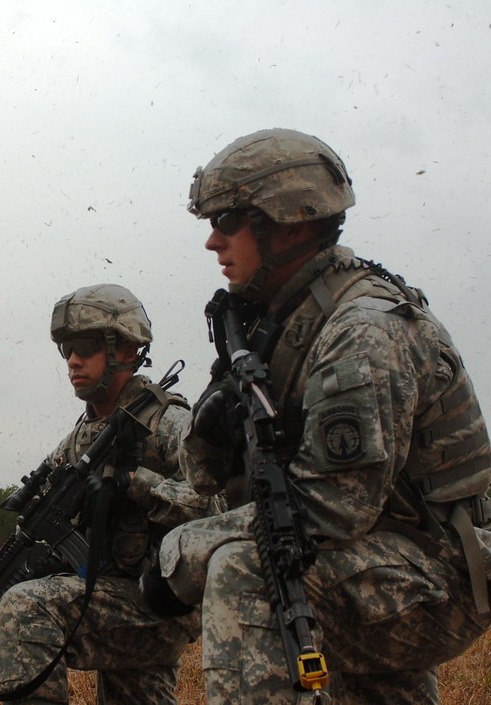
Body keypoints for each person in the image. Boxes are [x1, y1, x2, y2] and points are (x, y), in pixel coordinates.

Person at [151, 128, 491, 703]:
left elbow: (332, 508)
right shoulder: (284, 323)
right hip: (383, 558)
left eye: (228, 220)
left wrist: (181, 553)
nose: (212, 241)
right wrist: (213, 429)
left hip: (443, 574)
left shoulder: (363, 330)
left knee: (247, 569)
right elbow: (205, 478)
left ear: (290, 222)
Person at [0, 284, 224, 705]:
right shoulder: (78, 439)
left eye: (85, 347)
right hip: (114, 594)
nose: (73, 360)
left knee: (27, 608)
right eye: (66, 350)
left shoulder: (169, 422)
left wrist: (134, 483)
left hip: (163, 602)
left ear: (127, 350)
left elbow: (219, 510)